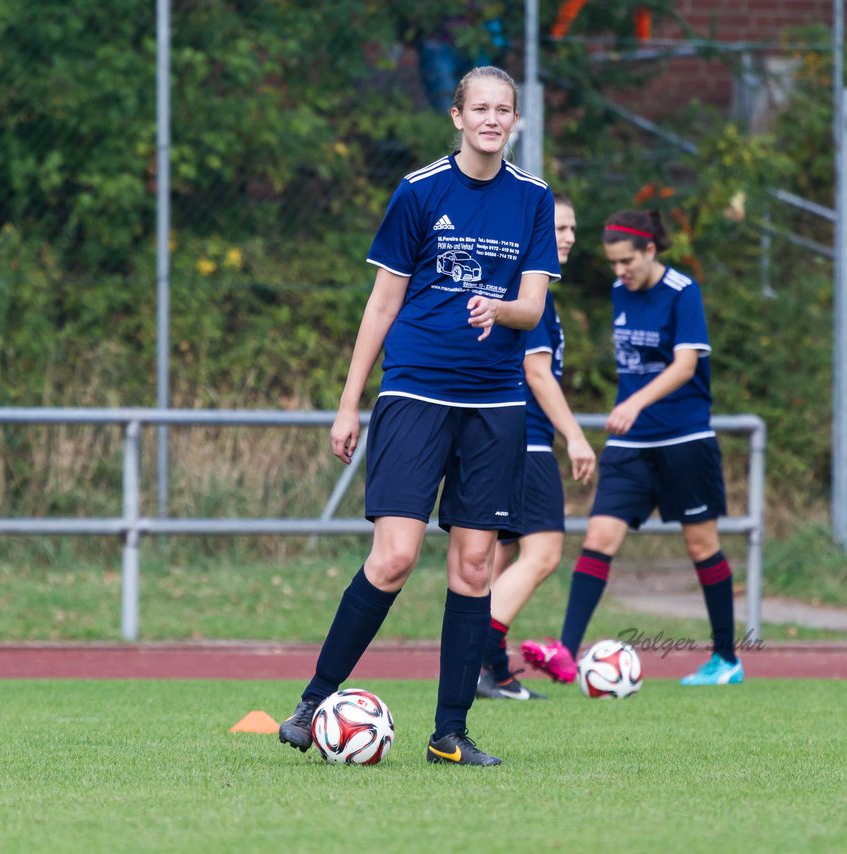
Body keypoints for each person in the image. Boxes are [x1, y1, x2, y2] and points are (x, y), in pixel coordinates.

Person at [277, 66, 561, 766]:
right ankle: (315, 699)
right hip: (415, 392)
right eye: (480, 108)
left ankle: (450, 734)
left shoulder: (533, 199)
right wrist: (349, 403)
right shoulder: (418, 191)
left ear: (514, 122)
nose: (492, 119)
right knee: (396, 555)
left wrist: (499, 309)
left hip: (496, 403)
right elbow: (381, 303)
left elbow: (531, 306)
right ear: (458, 116)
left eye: (504, 110)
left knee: (473, 568)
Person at [520, 209, 745, 687]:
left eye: (627, 261)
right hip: (629, 444)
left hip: (683, 439)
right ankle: (566, 650)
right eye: (612, 263)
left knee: (701, 544)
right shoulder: (620, 292)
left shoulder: (684, 293)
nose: (619, 272)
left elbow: (685, 366)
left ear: (649, 250)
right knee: (599, 538)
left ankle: (726, 658)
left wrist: (637, 401)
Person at [475, 194, 597, 701]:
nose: (567, 237)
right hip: (525, 439)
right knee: (543, 553)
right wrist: (575, 436)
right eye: (559, 228)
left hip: (497, 436)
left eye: (572, 228)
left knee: (495, 559)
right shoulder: (532, 292)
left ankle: (485, 669)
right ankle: (481, 651)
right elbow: (536, 372)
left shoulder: (518, 284)